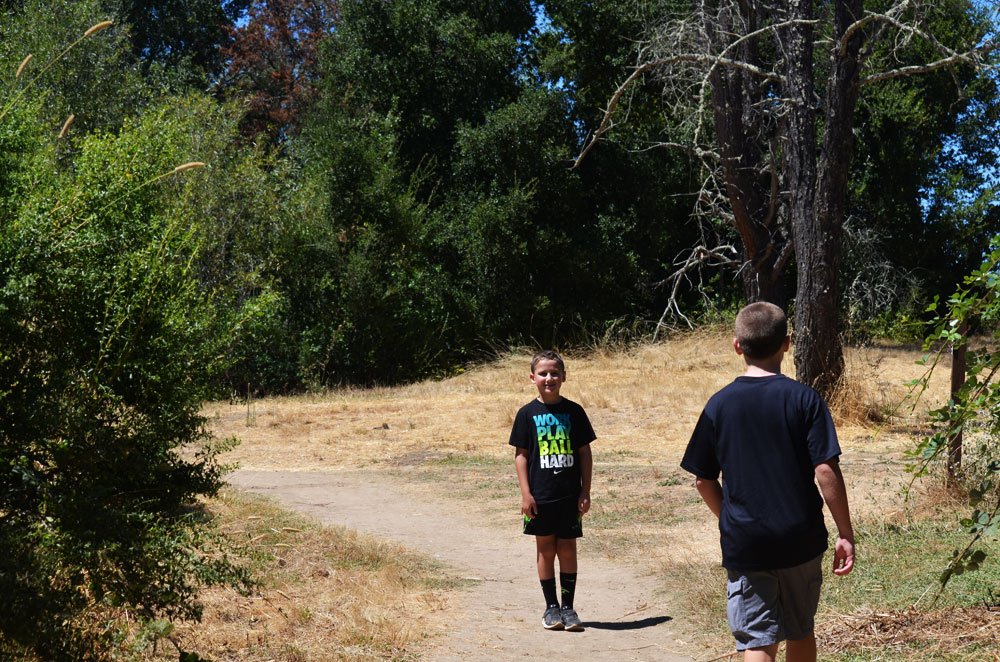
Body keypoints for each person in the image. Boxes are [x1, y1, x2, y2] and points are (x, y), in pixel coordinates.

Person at [680, 302, 855, 662]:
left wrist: (730, 519)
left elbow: (703, 480)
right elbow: (825, 470)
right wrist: (845, 533)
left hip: (747, 543)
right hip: (800, 537)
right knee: (800, 630)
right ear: (787, 343)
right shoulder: (805, 399)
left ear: (737, 346)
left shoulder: (719, 405)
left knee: (758, 639)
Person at [509, 350, 595, 631]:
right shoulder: (526, 414)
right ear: (532, 377)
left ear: (564, 377)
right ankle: (551, 608)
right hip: (540, 496)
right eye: (543, 373)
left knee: (567, 548)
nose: (549, 378)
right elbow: (521, 456)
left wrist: (585, 490)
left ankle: (568, 608)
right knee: (545, 549)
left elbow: (584, 452)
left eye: (554, 373)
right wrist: (526, 494)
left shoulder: (575, 412)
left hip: (569, 496)